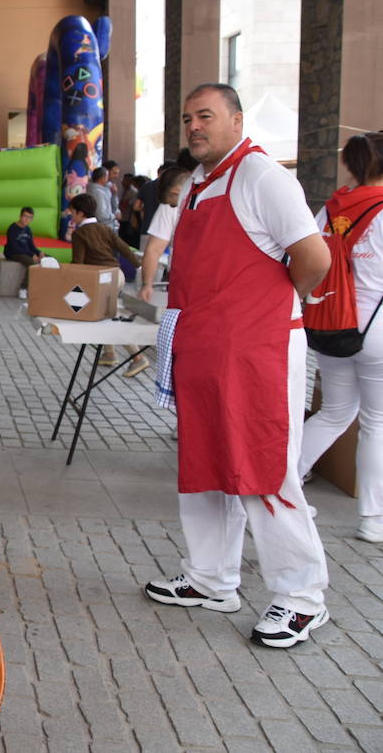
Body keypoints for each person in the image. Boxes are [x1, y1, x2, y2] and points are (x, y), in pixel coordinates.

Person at [143, 83, 332, 649]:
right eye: (187, 119)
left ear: (236, 119)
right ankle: (210, 579)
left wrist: (271, 307)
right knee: (205, 468)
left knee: (264, 469)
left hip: (258, 352)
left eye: (206, 116)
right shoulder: (200, 182)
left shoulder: (262, 177)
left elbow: (315, 258)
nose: (194, 126)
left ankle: (302, 598)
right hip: (204, 351)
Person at [299, 131, 383, 543]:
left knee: (334, 412)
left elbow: (309, 257)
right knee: (377, 422)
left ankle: (283, 488)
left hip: (332, 324)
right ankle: (373, 518)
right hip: (378, 330)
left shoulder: (330, 209)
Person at [68, 193, 148, 377]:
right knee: (105, 315)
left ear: (81, 213)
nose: (71, 216)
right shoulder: (105, 228)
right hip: (116, 275)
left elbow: (78, 263)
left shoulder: (80, 233)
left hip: (100, 279)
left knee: (110, 318)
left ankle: (137, 357)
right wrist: (139, 266)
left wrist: (66, 279)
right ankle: (109, 353)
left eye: (72, 212)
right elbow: (124, 248)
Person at [136, 167, 192, 300]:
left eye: (172, 204)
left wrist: (147, 285)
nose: (173, 207)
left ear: (175, 192)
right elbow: (154, 250)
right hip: (184, 279)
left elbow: (153, 249)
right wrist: (147, 284)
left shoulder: (169, 208)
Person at [85, 166, 118, 232]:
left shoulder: (104, 189)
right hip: (104, 229)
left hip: (105, 227)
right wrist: (114, 216)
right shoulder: (98, 192)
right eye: (107, 176)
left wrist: (114, 194)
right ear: (102, 178)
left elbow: (113, 206)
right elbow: (101, 215)